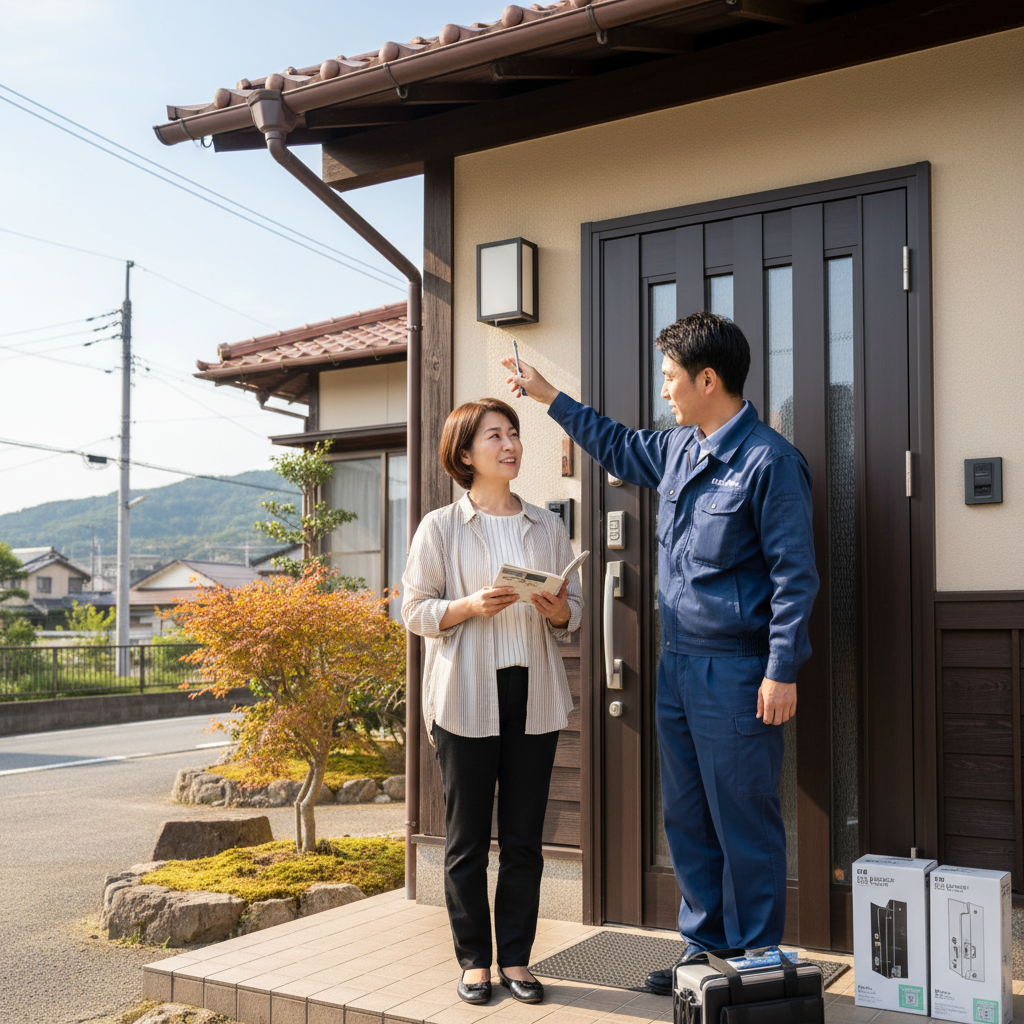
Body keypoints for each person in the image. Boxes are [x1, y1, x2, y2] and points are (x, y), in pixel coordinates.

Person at [501, 312, 818, 993]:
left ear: (709, 380)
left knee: (745, 814)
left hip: (738, 668)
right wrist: (549, 395)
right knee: (687, 814)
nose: (665, 390)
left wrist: (780, 669)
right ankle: (702, 951)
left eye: (672, 378)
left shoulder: (770, 462)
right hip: (676, 665)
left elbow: (796, 577)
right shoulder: (678, 449)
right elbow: (614, 445)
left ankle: (757, 962)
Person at [402, 397, 583, 1006]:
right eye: (495, 436)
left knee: (526, 839)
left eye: (514, 434)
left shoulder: (547, 526)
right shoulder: (440, 527)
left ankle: (517, 959)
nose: (510, 446)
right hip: (464, 695)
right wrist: (468, 607)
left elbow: (574, 610)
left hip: (532, 692)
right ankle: (474, 959)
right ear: (464, 453)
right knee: (467, 840)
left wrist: (560, 610)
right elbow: (414, 610)